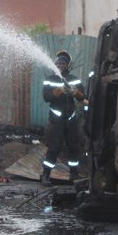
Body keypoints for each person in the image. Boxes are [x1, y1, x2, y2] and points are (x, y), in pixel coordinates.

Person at [41, 50, 87, 185]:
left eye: (63, 63)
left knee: (73, 147)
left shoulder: (74, 79)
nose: (61, 65)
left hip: (71, 119)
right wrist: (59, 90)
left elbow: (82, 97)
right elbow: (46, 97)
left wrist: (75, 92)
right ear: (55, 64)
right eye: (59, 63)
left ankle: (73, 174)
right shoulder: (50, 80)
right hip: (56, 119)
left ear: (67, 65)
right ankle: (46, 175)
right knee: (54, 147)